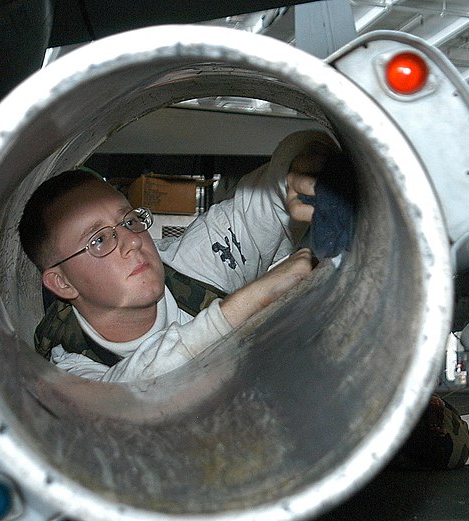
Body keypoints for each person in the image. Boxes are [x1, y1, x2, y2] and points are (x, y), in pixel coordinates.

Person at [18, 130, 338, 383]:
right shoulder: (70, 369)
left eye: (129, 221)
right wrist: (249, 303)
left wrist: (301, 171)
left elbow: (269, 196)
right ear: (61, 283)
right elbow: (128, 396)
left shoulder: (194, 266)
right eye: (99, 239)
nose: (131, 240)